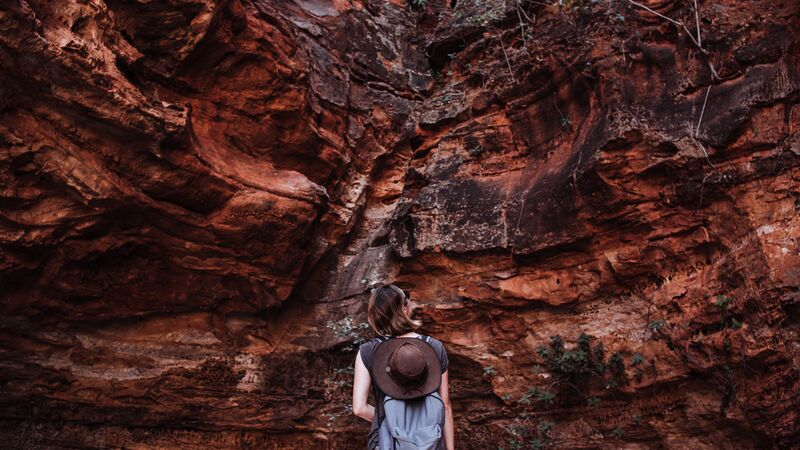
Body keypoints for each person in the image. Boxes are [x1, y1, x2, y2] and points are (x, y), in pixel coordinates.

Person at [352, 284, 455, 450]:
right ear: (404, 310)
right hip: (430, 441)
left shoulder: (368, 351)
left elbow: (359, 408)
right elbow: (445, 405)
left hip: (385, 442)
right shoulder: (434, 347)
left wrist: (391, 420)